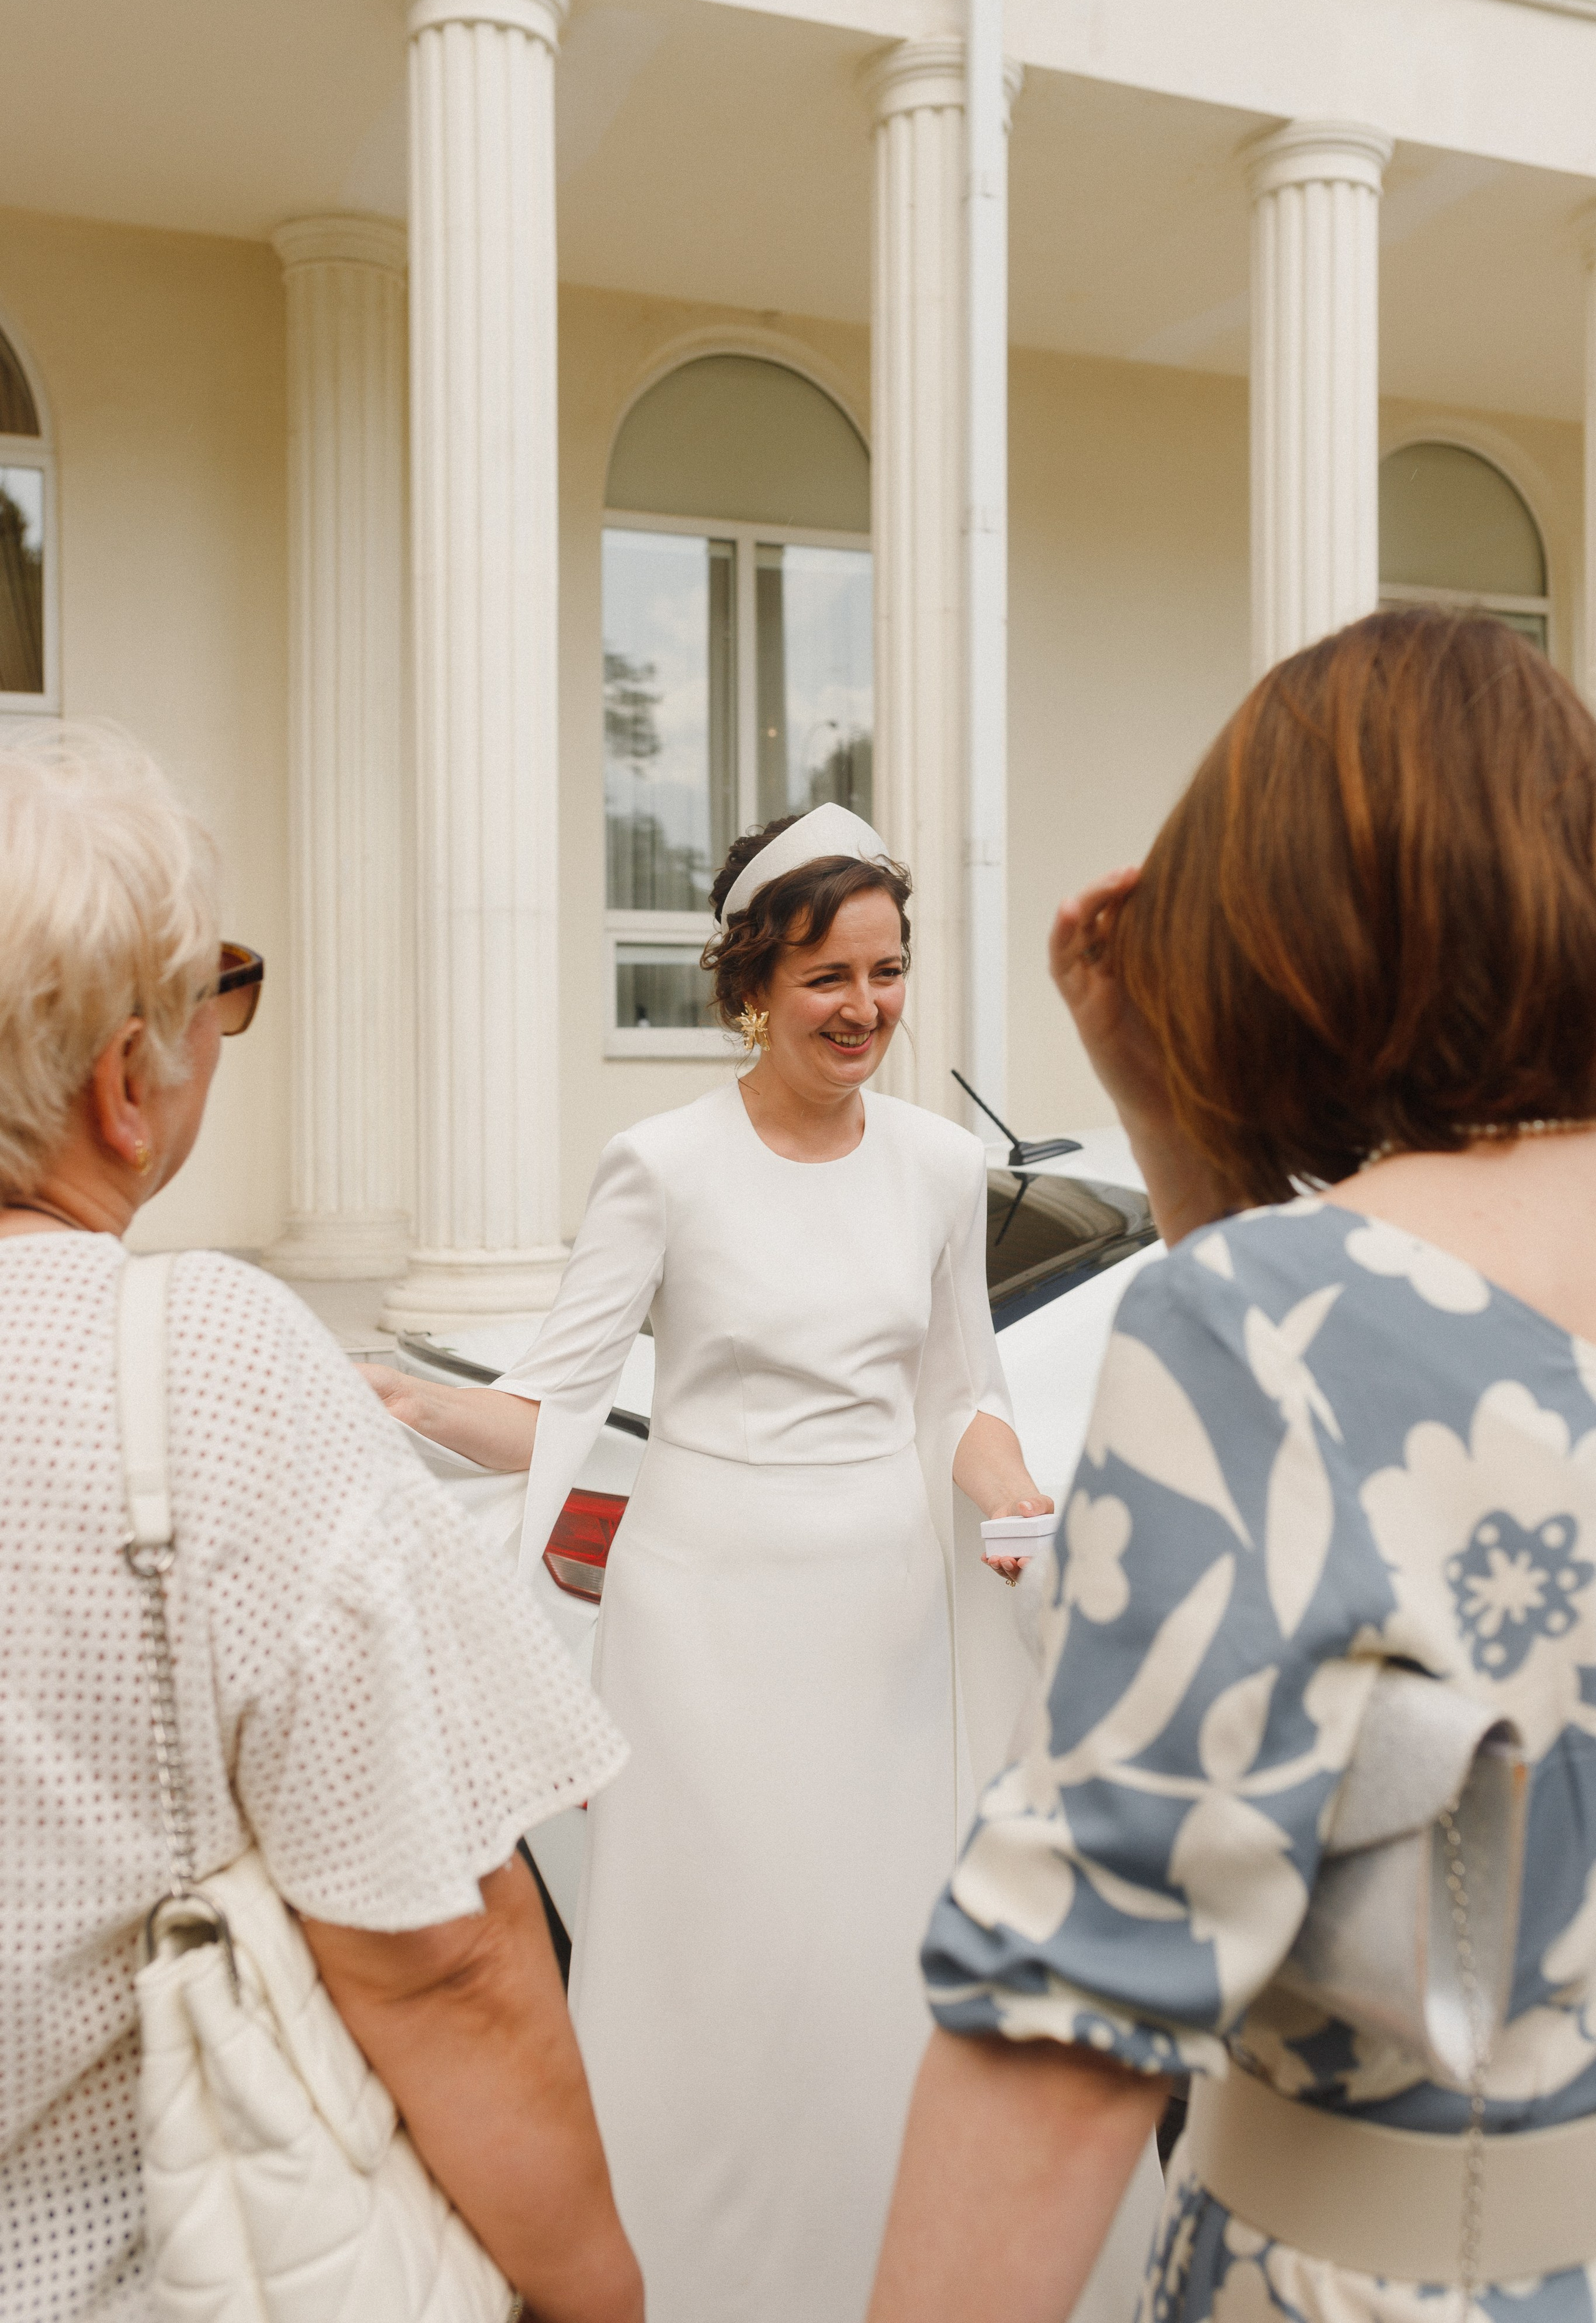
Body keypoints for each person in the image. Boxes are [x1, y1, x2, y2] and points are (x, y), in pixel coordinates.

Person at [866, 608, 1596, 2323]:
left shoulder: (1270, 1328)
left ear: (1281, 935)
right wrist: (1188, 1160)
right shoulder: (1292, 1316)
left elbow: (1071, 2033)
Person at [361, 804, 1054, 2323]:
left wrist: (1008, 1496)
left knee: (871, 1956)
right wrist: (404, 1404)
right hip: (704, 1626)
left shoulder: (938, 1169)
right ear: (750, 985)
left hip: (884, 1625)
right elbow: (548, 1404)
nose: (864, 1008)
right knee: (719, 1967)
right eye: (826, 979)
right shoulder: (660, 1167)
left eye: (887, 971)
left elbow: (960, 1387)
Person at [0, 721, 642, 2323]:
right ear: (121, 1089)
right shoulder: (199, 1365)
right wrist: (598, 2297)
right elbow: (443, 1953)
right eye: (209, 1000)